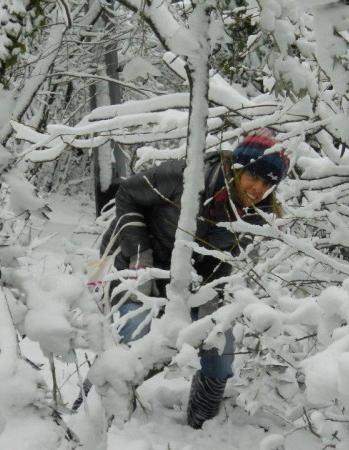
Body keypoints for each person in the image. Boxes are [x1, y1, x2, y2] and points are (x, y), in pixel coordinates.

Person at [76, 129, 288, 429]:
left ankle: (201, 426)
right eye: (254, 176)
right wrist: (140, 255)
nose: (258, 188)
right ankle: (89, 419)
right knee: (130, 342)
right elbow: (127, 195)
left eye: (268, 183)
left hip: (190, 287)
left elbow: (225, 258)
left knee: (220, 349)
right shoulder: (186, 177)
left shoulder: (255, 216)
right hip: (140, 270)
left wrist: (210, 299)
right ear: (238, 168)